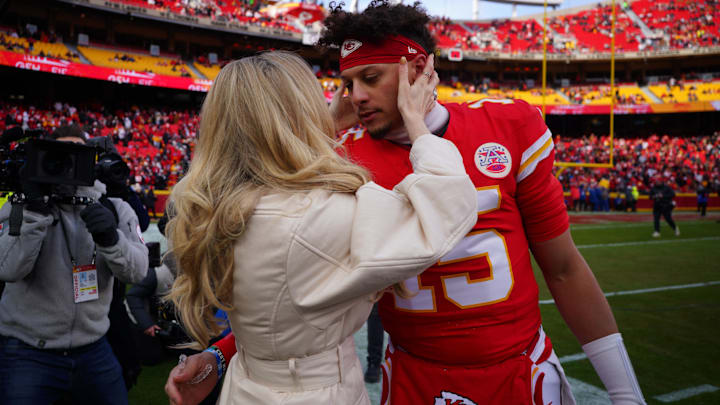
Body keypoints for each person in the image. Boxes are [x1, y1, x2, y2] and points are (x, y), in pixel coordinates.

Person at [165, 2, 646, 405]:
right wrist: (227, 351)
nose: (356, 96)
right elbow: (291, 293)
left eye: (370, 78)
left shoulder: (509, 125)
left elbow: (562, 268)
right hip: (415, 377)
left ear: (418, 68)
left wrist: (625, 393)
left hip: (517, 370)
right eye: (347, 83)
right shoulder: (339, 160)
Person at [164, 50, 477, 405]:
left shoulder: (218, 205)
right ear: (299, 115)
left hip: (250, 382)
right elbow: (447, 207)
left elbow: (277, 320)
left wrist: (220, 354)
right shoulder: (319, 216)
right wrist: (416, 121)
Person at [0, 125, 149, 405]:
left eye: (77, 154)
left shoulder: (115, 208)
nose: (68, 164)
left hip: (94, 348)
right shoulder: (19, 204)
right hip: (27, 350)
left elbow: (138, 271)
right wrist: (34, 214)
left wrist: (111, 239)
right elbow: (7, 269)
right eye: (59, 155)